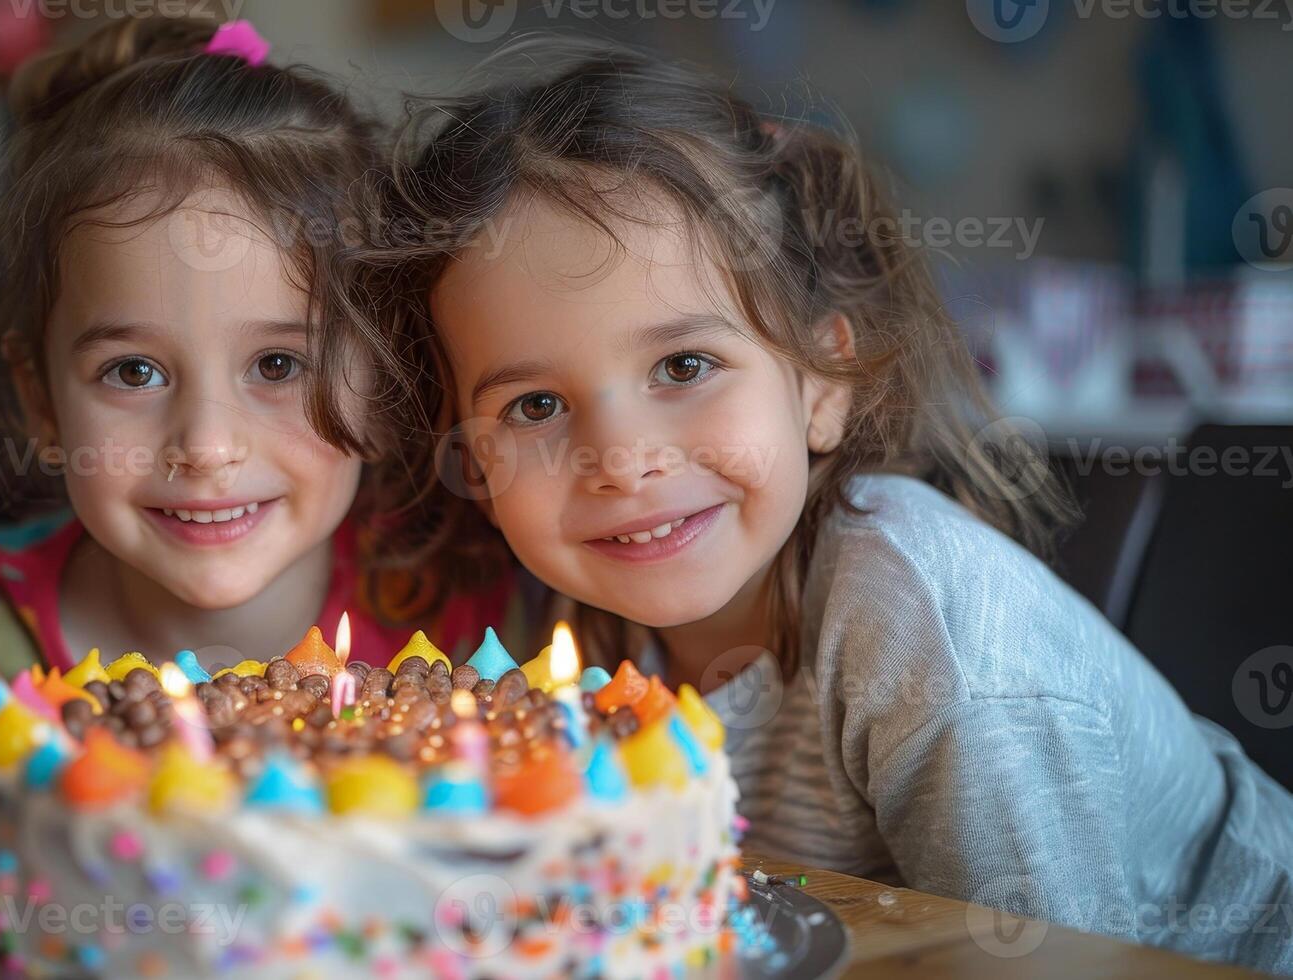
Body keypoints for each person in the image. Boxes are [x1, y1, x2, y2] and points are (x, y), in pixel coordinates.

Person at [350, 46, 1293, 973]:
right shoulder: (561, 632)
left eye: (684, 366)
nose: (621, 462)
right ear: (471, 456)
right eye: (536, 406)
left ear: (819, 384)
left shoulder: (927, 643)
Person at [0, 17, 530, 810]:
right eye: (133, 372)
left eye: (277, 365)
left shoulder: (462, 627)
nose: (205, 446)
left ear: (381, 382)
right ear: (41, 403)